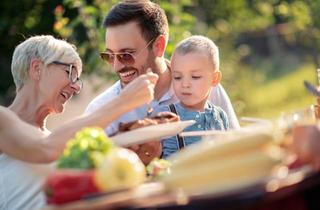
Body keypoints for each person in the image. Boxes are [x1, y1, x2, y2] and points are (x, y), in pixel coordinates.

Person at [0, 35, 158, 210]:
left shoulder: (58, 141)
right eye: (70, 73)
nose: (75, 87)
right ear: (37, 68)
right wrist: (123, 101)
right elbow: (45, 148)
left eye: (77, 80)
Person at [85, 0, 239, 137]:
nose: (117, 66)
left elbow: (235, 149)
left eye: (126, 55)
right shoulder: (100, 110)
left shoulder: (205, 88)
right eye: (109, 56)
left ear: (159, 46)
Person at [158, 35, 229, 158]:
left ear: (214, 79)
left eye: (195, 77)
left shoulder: (220, 116)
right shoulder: (166, 115)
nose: (185, 84)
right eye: (177, 77)